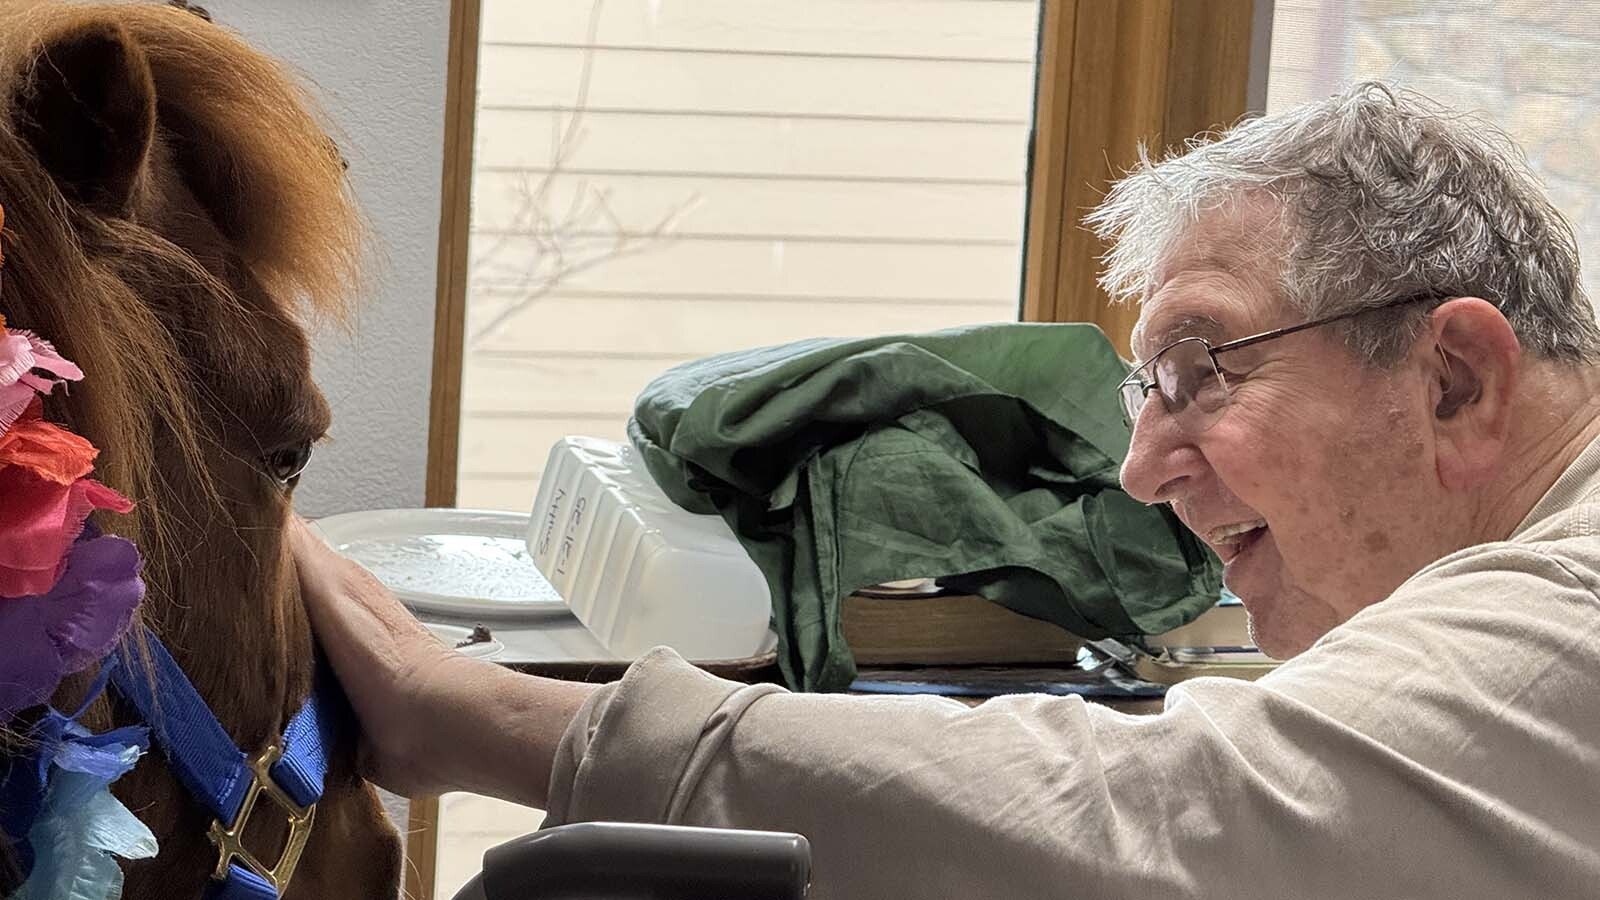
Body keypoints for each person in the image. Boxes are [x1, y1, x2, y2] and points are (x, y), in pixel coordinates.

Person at [290, 82, 1600, 897]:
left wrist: (471, 718)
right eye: (1143, 398)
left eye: (1203, 368)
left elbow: (1157, 817)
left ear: (1454, 383)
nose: (1142, 470)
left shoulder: (1566, 625)